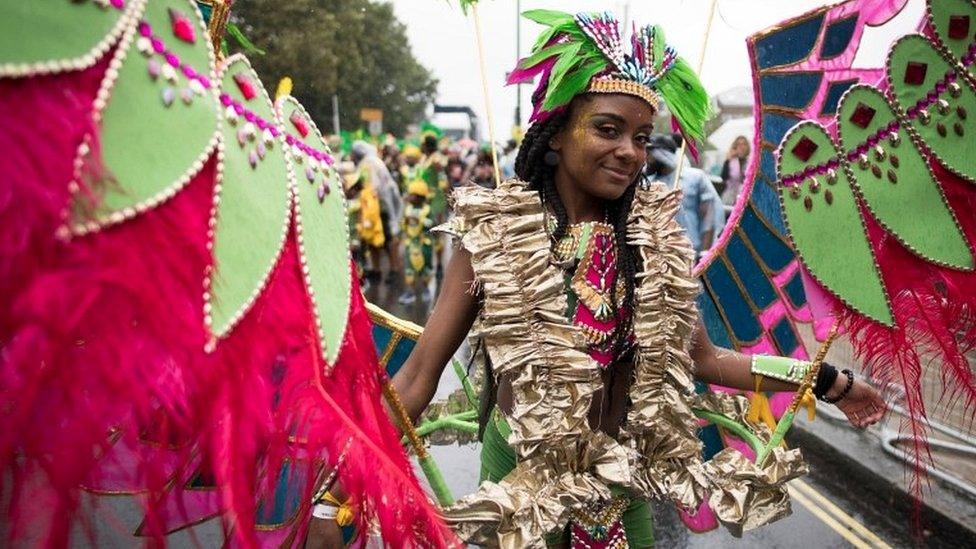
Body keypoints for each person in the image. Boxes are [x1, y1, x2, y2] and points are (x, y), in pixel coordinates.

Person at [317, 11, 885, 547]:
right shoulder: (493, 234)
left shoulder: (656, 243)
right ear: (557, 134)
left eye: (641, 137)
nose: (630, 152)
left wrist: (828, 381)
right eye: (608, 129)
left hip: (618, 490)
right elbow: (417, 377)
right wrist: (334, 499)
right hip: (516, 491)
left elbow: (707, 362)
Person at [646, 133, 724, 260]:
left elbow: (709, 217)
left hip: (690, 252)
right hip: (657, 255)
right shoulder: (647, 182)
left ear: (662, 155)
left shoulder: (695, 178)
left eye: (650, 153)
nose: (647, 158)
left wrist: (704, 253)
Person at [351, 140, 402, 284]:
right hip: (372, 208)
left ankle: (394, 269)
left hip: (380, 207)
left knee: (387, 239)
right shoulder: (368, 162)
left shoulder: (370, 163)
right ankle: (376, 269)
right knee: (372, 239)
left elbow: (373, 187)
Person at [398, 180, 435, 305]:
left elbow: (432, 224)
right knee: (409, 269)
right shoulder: (407, 209)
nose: (409, 197)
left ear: (419, 197)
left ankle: (426, 289)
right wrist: (405, 223)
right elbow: (403, 225)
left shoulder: (427, 209)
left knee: (425, 268)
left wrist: (420, 220)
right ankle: (410, 292)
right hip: (410, 244)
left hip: (424, 244)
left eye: (412, 195)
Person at [720, 135, 750, 206]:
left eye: (744, 144)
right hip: (729, 199)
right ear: (735, 147)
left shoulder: (750, 162)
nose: (741, 147)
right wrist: (728, 160)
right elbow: (723, 177)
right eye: (739, 144)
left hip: (744, 199)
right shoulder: (731, 161)